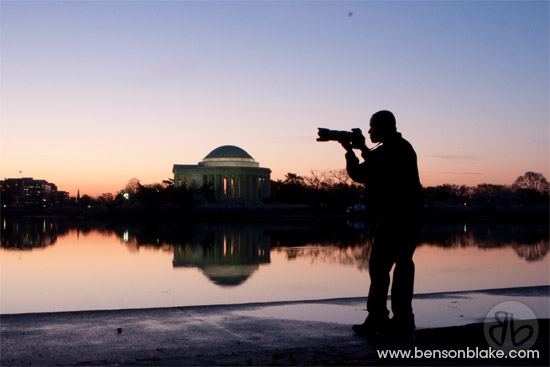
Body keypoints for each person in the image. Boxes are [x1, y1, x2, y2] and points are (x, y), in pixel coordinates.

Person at [340, 110, 424, 336]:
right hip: (396, 216)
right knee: (384, 267)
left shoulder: (399, 148)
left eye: (372, 127)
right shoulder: (389, 149)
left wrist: (359, 149)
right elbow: (363, 172)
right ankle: (386, 317)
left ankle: (396, 318)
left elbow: (375, 167)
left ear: (386, 127)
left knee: (395, 266)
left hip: (403, 216)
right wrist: (352, 151)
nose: (369, 132)